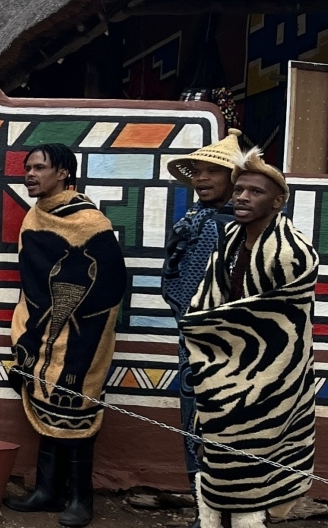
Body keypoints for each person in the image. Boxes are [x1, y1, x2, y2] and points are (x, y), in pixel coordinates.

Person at [183, 149, 318, 528]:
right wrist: (203, 334)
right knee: (214, 450)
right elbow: (208, 298)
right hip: (221, 372)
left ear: (277, 202)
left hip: (271, 377)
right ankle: (210, 520)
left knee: (257, 456)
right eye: (239, 189)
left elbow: (282, 317)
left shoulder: (293, 252)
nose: (242, 197)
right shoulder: (228, 239)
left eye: (254, 192)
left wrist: (217, 330)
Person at [4, 143, 127, 527]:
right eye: (27, 167)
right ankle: (46, 490)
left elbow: (111, 284)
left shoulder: (90, 222)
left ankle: (80, 498)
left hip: (83, 329)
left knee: (74, 401)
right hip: (41, 325)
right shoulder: (35, 216)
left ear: (64, 174)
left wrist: (77, 323)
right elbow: (34, 278)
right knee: (44, 395)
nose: (30, 174)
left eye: (40, 167)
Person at [161, 130, 241, 492]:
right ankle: (203, 504)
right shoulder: (196, 221)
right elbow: (176, 282)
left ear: (234, 178)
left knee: (231, 424)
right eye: (196, 171)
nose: (202, 179)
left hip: (234, 345)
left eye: (213, 171)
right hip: (193, 341)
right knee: (194, 418)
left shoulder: (241, 227)